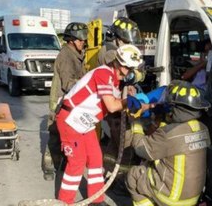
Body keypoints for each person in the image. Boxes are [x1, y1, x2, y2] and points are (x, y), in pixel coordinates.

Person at [55, 44, 149, 205]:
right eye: (130, 69)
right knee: (76, 163)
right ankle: (65, 202)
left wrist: (142, 104)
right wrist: (127, 102)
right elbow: (112, 106)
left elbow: (113, 104)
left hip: (85, 122)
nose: (132, 73)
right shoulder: (103, 74)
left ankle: (96, 200)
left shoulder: (114, 79)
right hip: (70, 119)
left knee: (95, 158)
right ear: (120, 65)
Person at [125, 80, 211, 206]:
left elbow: (140, 148)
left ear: (174, 108)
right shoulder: (203, 128)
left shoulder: (170, 134)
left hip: (171, 198)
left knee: (133, 175)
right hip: (194, 197)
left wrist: (135, 122)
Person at [98, 17, 144, 186]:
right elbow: (129, 75)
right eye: (126, 42)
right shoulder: (111, 52)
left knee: (115, 143)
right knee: (126, 146)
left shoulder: (112, 50)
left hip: (115, 107)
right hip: (115, 107)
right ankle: (119, 181)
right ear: (117, 38)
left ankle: (109, 174)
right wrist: (139, 73)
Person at [43, 23, 87, 198]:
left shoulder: (76, 54)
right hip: (60, 103)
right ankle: (48, 166)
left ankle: (60, 162)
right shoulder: (66, 56)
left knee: (64, 137)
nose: (84, 42)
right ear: (73, 40)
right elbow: (69, 83)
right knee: (55, 135)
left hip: (69, 103)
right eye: (82, 39)